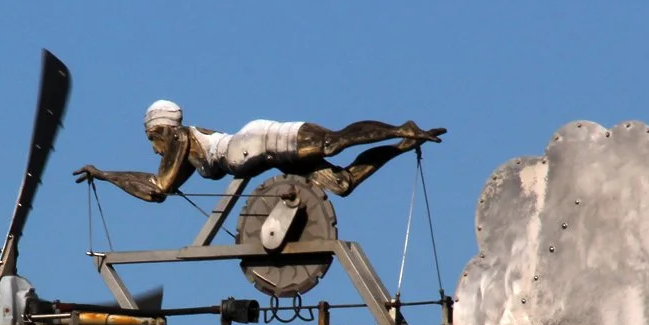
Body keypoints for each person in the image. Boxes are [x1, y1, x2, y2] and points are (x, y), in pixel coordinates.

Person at [73, 100, 445, 202]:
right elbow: (161, 189)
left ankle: (400, 127)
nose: (155, 149)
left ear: (159, 129)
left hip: (257, 144)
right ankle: (402, 143)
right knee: (343, 183)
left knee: (334, 140)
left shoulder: (178, 138)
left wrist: (106, 175)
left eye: (151, 140)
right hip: (263, 156)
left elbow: (157, 187)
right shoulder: (186, 152)